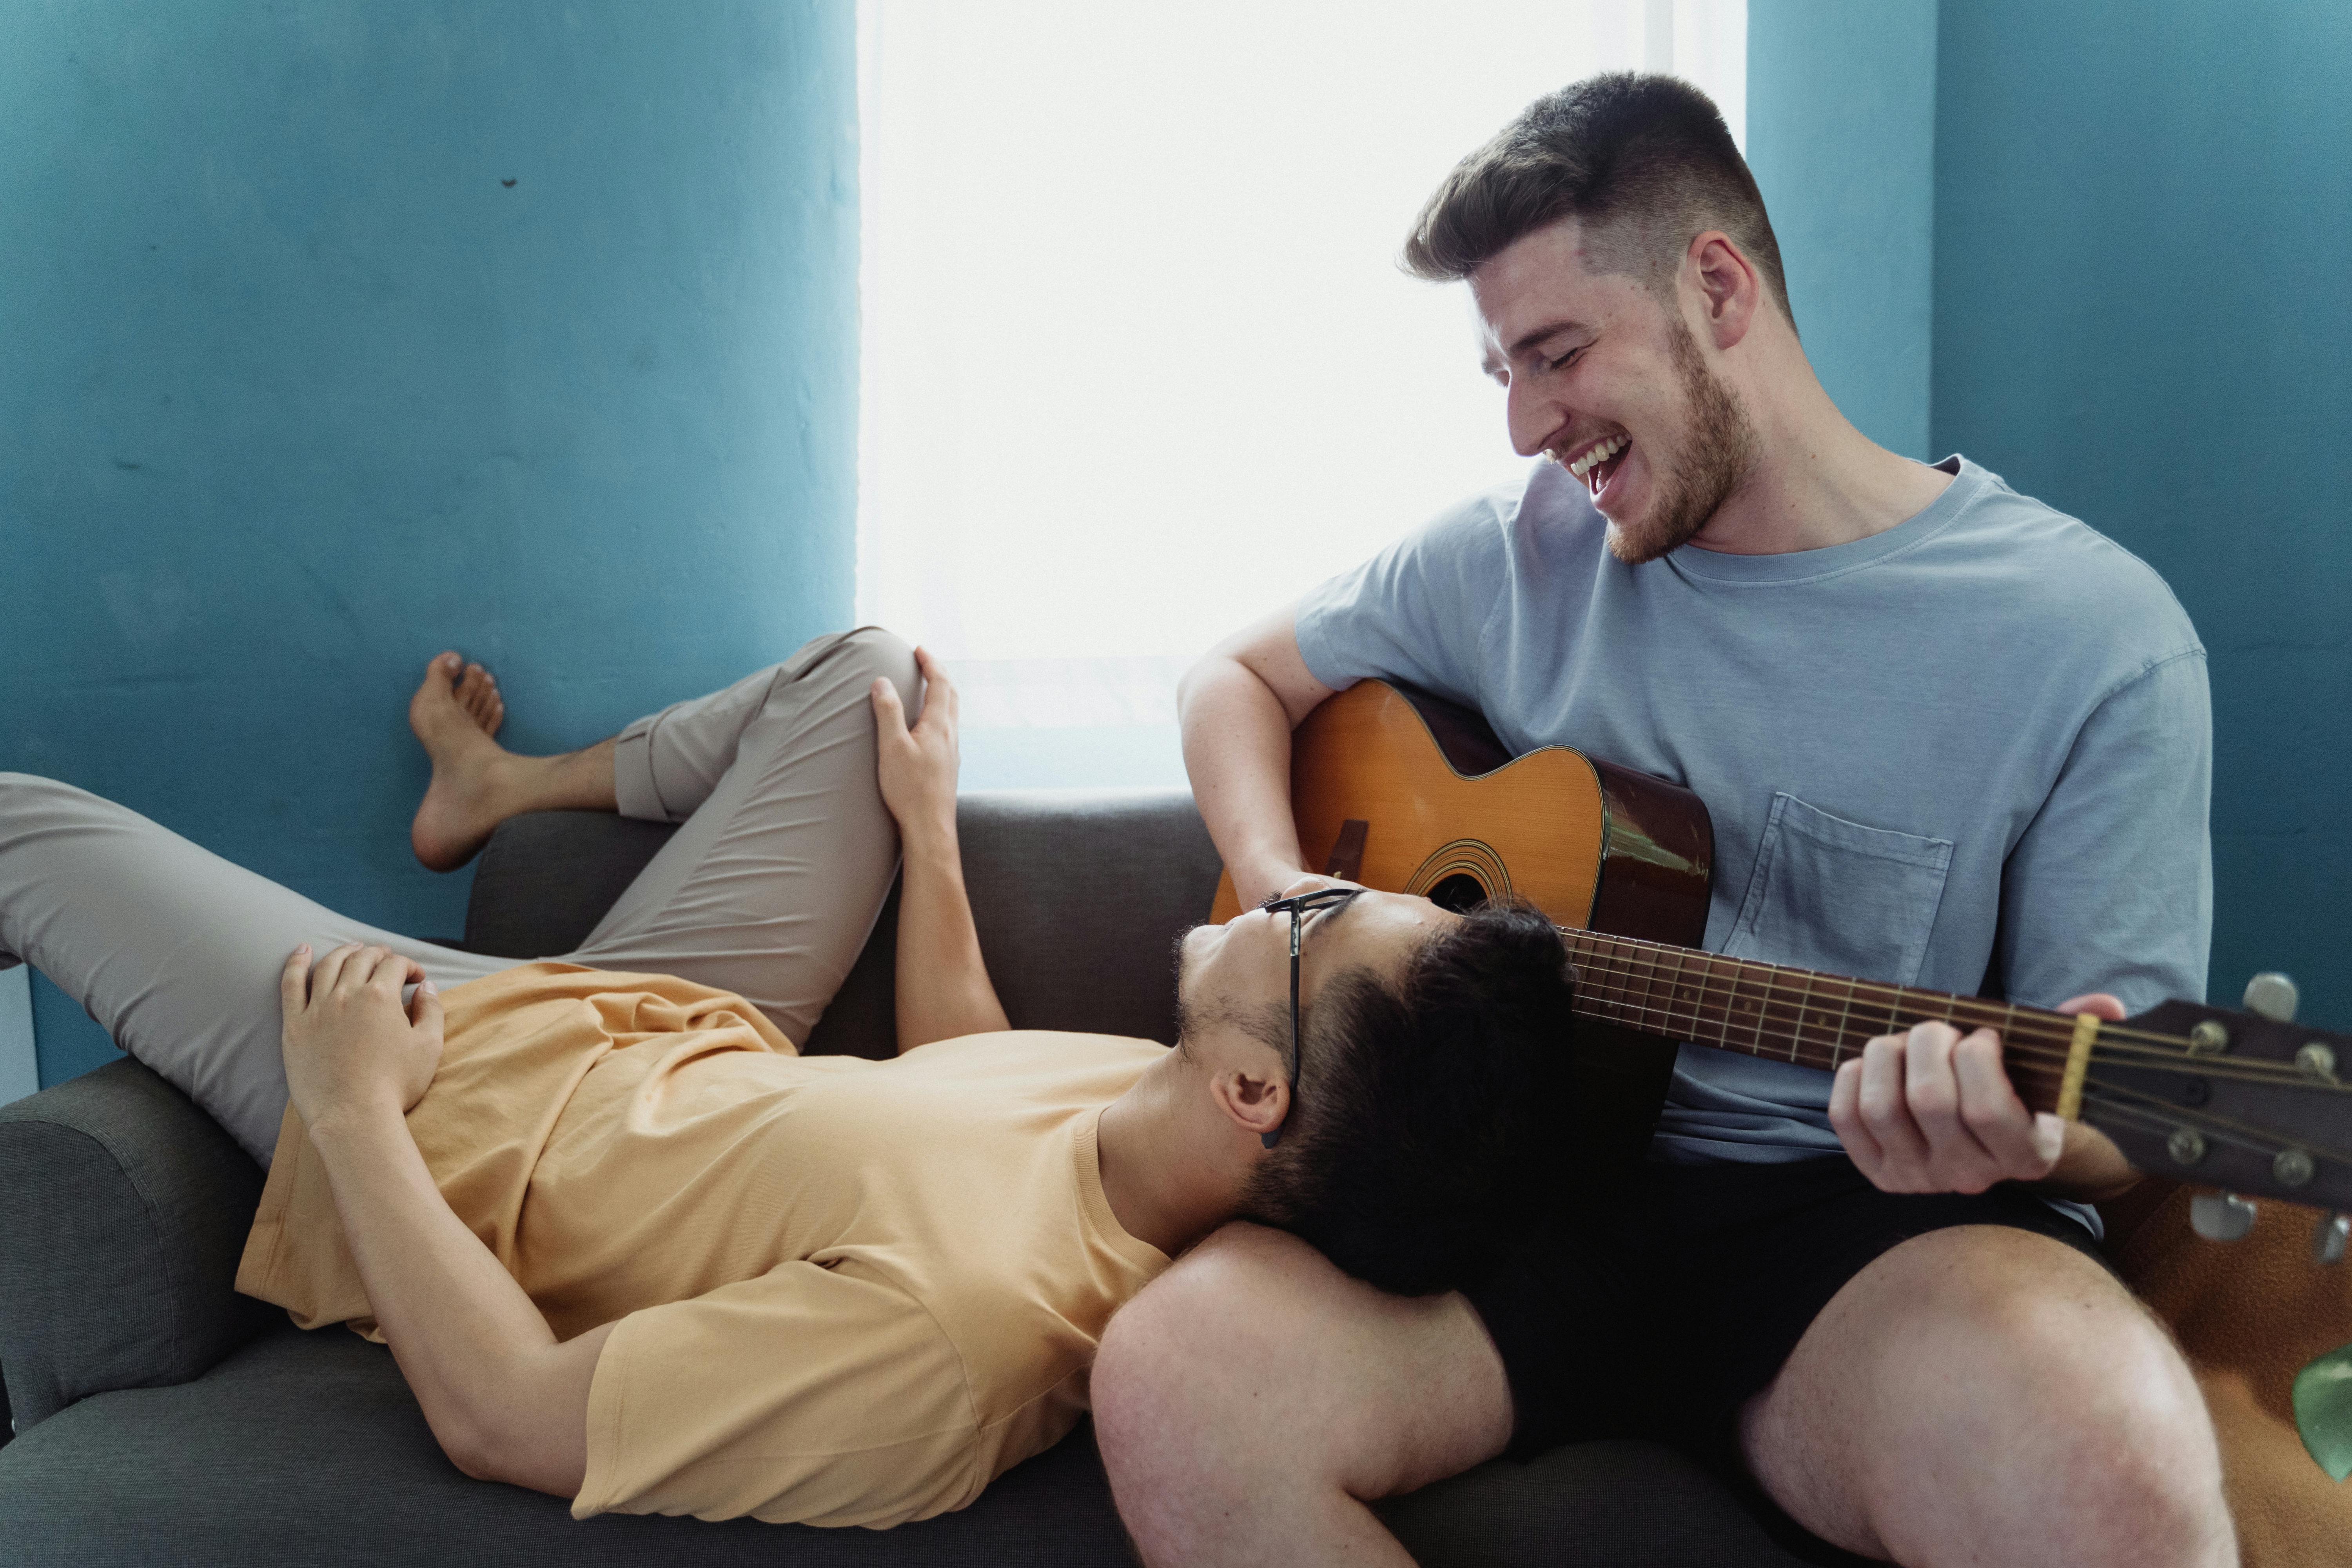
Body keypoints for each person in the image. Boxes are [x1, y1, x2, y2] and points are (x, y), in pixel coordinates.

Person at [1091, 74, 2232, 1568]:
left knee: (2107, 1476)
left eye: (1555, 354)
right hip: (1527, 1208)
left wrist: (2019, 1132)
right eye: (1498, 370)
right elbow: (1232, 676)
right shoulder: (1513, 559)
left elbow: (2127, 1125)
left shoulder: (2095, 639)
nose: (1521, 427)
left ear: (1717, 286)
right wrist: (1277, 885)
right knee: (1179, 1383)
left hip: (1870, 1237)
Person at [0, 629, 1578, 1528]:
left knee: (18, 827)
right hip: (663, 1023)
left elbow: (514, 1421)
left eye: (1306, 921)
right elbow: (961, 1078)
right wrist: (929, 825)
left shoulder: (951, 1347)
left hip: (449, 1097)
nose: (1277, 886)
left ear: (1259, 1095)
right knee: (872, 676)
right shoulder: (1159, 1108)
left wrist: (349, 1108)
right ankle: (496, 789)